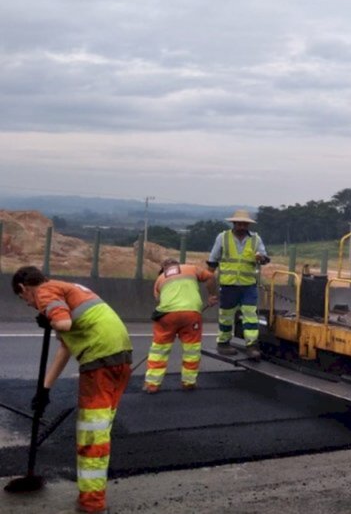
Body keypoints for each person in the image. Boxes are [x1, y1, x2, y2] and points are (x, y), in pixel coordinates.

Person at [11, 266, 133, 514]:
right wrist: (45, 389)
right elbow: (66, 347)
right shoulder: (65, 289)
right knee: (101, 429)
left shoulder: (45, 292)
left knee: (92, 435)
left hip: (99, 359)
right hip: (119, 357)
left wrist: (49, 318)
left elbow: (64, 323)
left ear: (24, 288)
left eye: (22, 298)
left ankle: (92, 504)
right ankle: (93, 496)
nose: (27, 304)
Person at [143, 258, 219, 393]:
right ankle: (188, 382)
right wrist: (212, 295)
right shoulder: (191, 268)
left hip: (166, 316)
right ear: (178, 264)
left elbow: (159, 300)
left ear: (163, 269)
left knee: (159, 350)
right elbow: (211, 277)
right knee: (191, 350)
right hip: (191, 314)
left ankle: (152, 384)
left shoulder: (160, 279)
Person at [207, 209, 270, 358]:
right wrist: (210, 284)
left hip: (248, 285)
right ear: (234, 223)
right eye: (239, 224)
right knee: (226, 316)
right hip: (229, 286)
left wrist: (261, 258)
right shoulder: (223, 238)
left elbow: (265, 258)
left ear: (248, 225)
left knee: (250, 316)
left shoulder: (255, 239)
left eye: (245, 224)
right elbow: (212, 261)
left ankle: (251, 346)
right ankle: (223, 343)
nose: (242, 226)